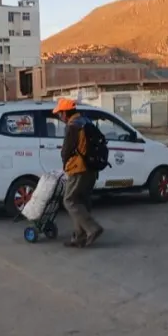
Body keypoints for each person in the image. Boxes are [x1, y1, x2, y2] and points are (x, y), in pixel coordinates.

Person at [54, 98, 104, 248]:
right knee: (81, 200)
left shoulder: (72, 126)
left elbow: (66, 150)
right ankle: (80, 237)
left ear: (65, 113)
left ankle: (93, 228)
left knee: (69, 201)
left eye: (59, 113)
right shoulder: (85, 121)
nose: (59, 117)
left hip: (78, 168)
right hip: (92, 168)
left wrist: (65, 164)